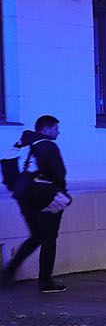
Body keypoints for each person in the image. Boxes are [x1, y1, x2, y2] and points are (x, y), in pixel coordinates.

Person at [4, 115, 71, 293]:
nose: (58, 132)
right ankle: (45, 282)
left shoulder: (23, 143)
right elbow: (59, 173)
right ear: (46, 129)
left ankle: (8, 272)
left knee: (36, 236)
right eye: (56, 128)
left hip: (24, 195)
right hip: (45, 196)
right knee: (49, 239)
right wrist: (61, 192)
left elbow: (8, 166)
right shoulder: (48, 146)